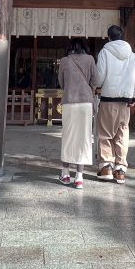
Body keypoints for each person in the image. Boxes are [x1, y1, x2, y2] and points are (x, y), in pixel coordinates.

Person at [95, 25, 135, 185]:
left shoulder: (104, 52)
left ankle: (106, 168)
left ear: (109, 37)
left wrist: (96, 86)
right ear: (122, 37)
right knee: (122, 134)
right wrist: (134, 96)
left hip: (108, 99)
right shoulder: (133, 56)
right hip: (125, 102)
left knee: (105, 134)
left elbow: (100, 75)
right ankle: (120, 170)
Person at [57, 38, 100, 189]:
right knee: (84, 138)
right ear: (84, 48)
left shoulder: (64, 61)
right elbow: (96, 80)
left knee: (68, 136)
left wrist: (71, 87)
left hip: (69, 101)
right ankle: (79, 177)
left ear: (70, 48)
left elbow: (61, 82)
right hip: (86, 103)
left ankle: (65, 174)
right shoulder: (90, 59)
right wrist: (88, 90)